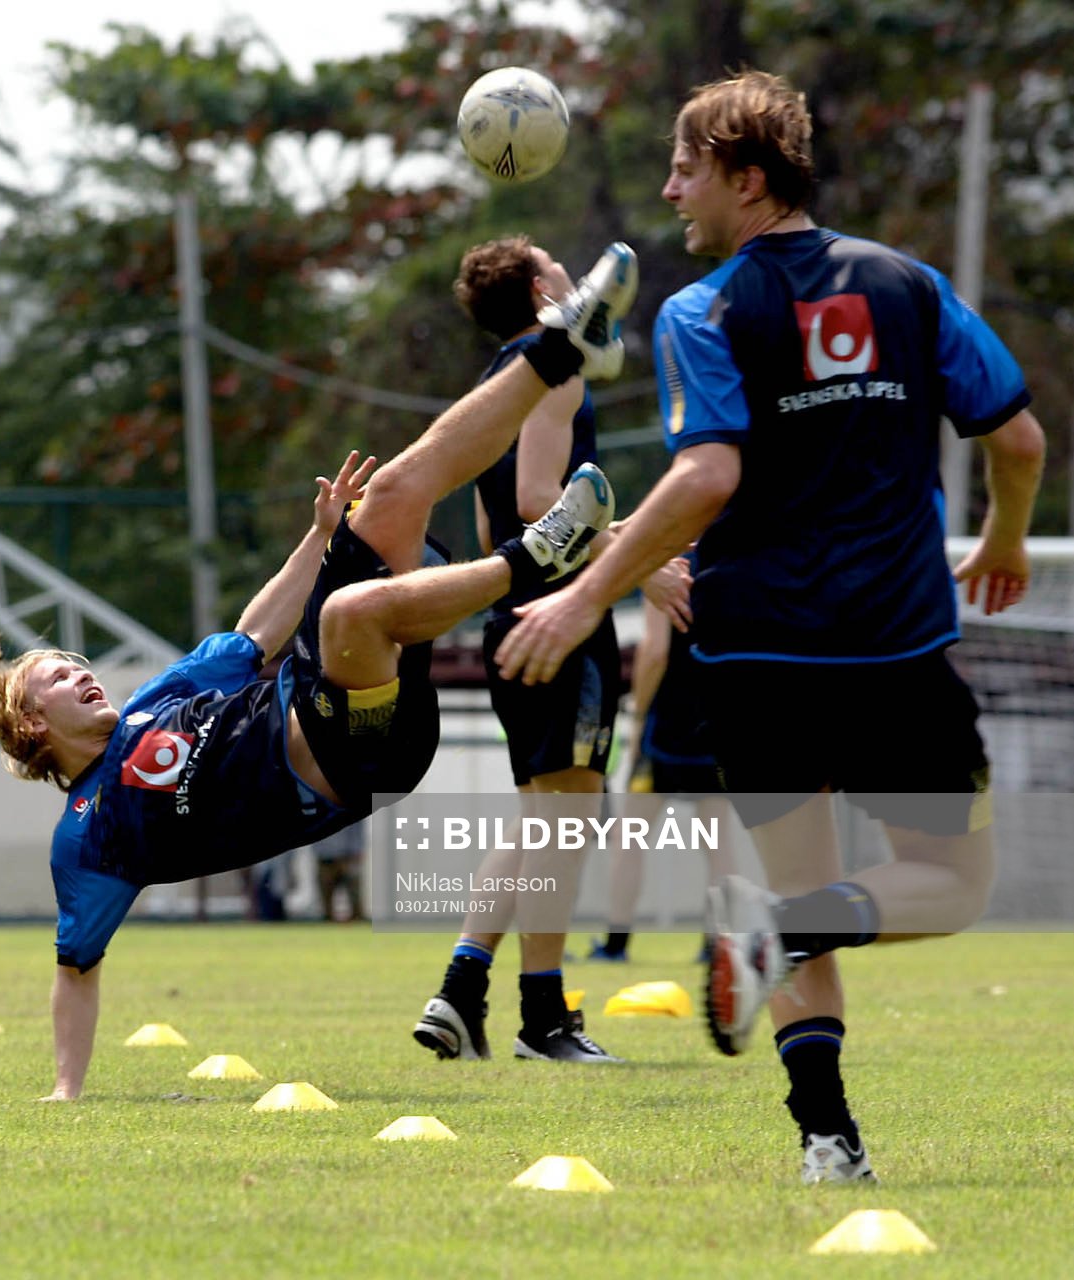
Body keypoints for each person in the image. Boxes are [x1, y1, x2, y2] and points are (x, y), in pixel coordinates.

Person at [495, 70, 1046, 1184]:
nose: (668, 192)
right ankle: (783, 936)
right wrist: (999, 540)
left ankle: (826, 1142)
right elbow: (1018, 438)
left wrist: (581, 589)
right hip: (893, 644)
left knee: (792, 891)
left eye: (685, 169)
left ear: (747, 179)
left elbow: (706, 472)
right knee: (943, 882)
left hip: (754, 653)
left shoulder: (702, 313)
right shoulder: (909, 285)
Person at [0, 240, 647, 1101]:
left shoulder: (154, 703)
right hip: (350, 760)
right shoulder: (88, 836)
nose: (83, 677)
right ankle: (536, 559)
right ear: (34, 728)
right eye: (60, 683)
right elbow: (76, 967)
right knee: (347, 616)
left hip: (322, 686)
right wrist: (67, 1090)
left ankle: (559, 345)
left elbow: (255, 631)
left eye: (77, 667)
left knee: (393, 495)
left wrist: (323, 532)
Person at [413, 236, 628, 1064]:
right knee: (563, 821)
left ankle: (461, 993)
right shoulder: (554, 368)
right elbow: (544, 500)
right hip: (558, 613)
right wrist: (639, 561)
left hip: (514, 606)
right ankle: (543, 1021)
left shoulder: (495, 382)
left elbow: (488, 521)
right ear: (544, 287)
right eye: (559, 264)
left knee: (543, 818)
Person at [586, 588, 732, 963]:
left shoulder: (665, 565)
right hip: (715, 720)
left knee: (629, 838)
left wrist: (637, 717)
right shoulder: (727, 563)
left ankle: (615, 944)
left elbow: (655, 650)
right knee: (718, 843)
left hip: (666, 725)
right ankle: (719, 945)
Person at [313, 818, 367, 922]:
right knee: (326, 895)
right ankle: (328, 919)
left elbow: (357, 831)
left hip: (347, 856)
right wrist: (318, 852)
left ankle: (358, 918)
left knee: (354, 892)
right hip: (325, 857)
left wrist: (357, 852)